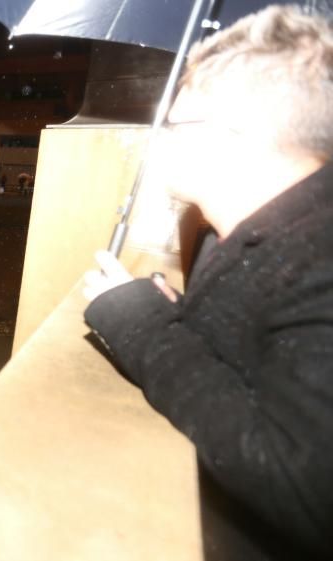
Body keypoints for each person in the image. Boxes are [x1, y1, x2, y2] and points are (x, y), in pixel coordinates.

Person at [82, 5, 333, 560]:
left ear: (243, 133)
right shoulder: (247, 234)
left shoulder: (319, 261)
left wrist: (143, 326)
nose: (161, 136)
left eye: (176, 124)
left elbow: (306, 490)